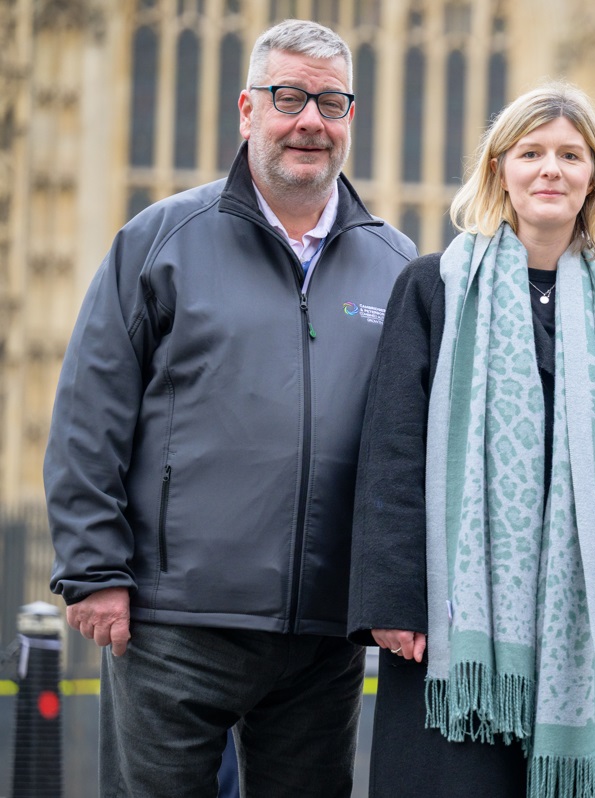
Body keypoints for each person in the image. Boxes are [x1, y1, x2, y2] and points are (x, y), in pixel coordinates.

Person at [43, 19, 415, 797]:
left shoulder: (397, 267)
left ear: (351, 119)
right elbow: (89, 412)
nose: (309, 119)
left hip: (322, 633)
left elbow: (415, 447)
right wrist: (93, 570)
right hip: (173, 619)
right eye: (288, 97)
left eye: (330, 102)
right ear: (247, 110)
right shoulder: (161, 239)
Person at [346, 81, 595, 798]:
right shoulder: (432, 289)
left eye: (570, 155)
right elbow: (391, 454)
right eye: (531, 152)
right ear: (499, 169)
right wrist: (391, 600)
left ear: (593, 176)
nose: (550, 170)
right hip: (449, 633)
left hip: (582, 629)